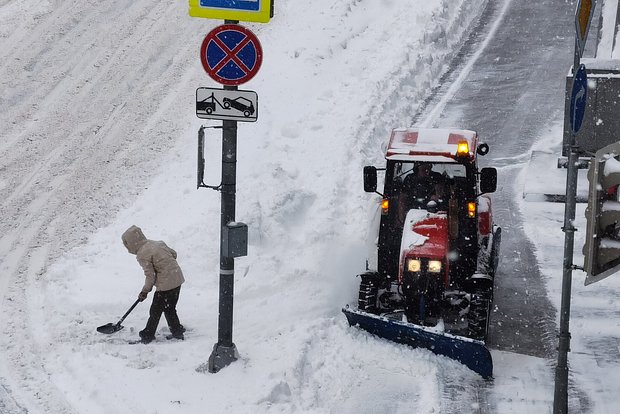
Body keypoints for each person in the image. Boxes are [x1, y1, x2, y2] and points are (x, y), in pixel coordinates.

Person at [121, 225, 185, 343]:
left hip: (166, 285)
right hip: (177, 279)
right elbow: (174, 254)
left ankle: (148, 335)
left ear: (131, 243)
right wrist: (166, 266)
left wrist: (145, 291)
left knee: (155, 311)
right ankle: (177, 331)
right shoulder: (157, 243)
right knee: (170, 308)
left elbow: (150, 275)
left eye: (126, 245)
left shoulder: (142, 254)